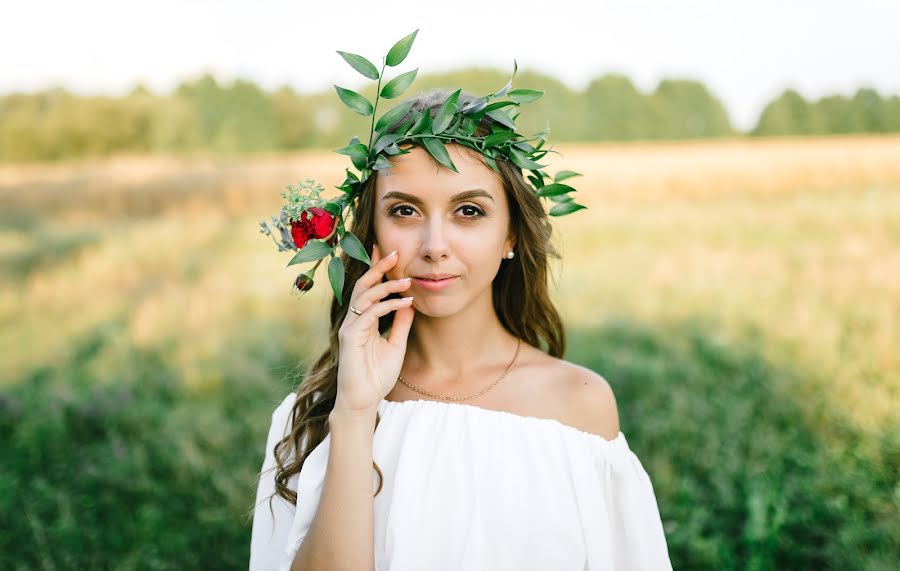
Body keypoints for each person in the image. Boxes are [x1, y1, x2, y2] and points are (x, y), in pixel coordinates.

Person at [249, 81, 673, 569]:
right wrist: (356, 413)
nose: (434, 244)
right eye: (404, 211)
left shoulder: (578, 407)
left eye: (468, 211)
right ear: (370, 230)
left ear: (511, 232)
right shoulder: (313, 415)